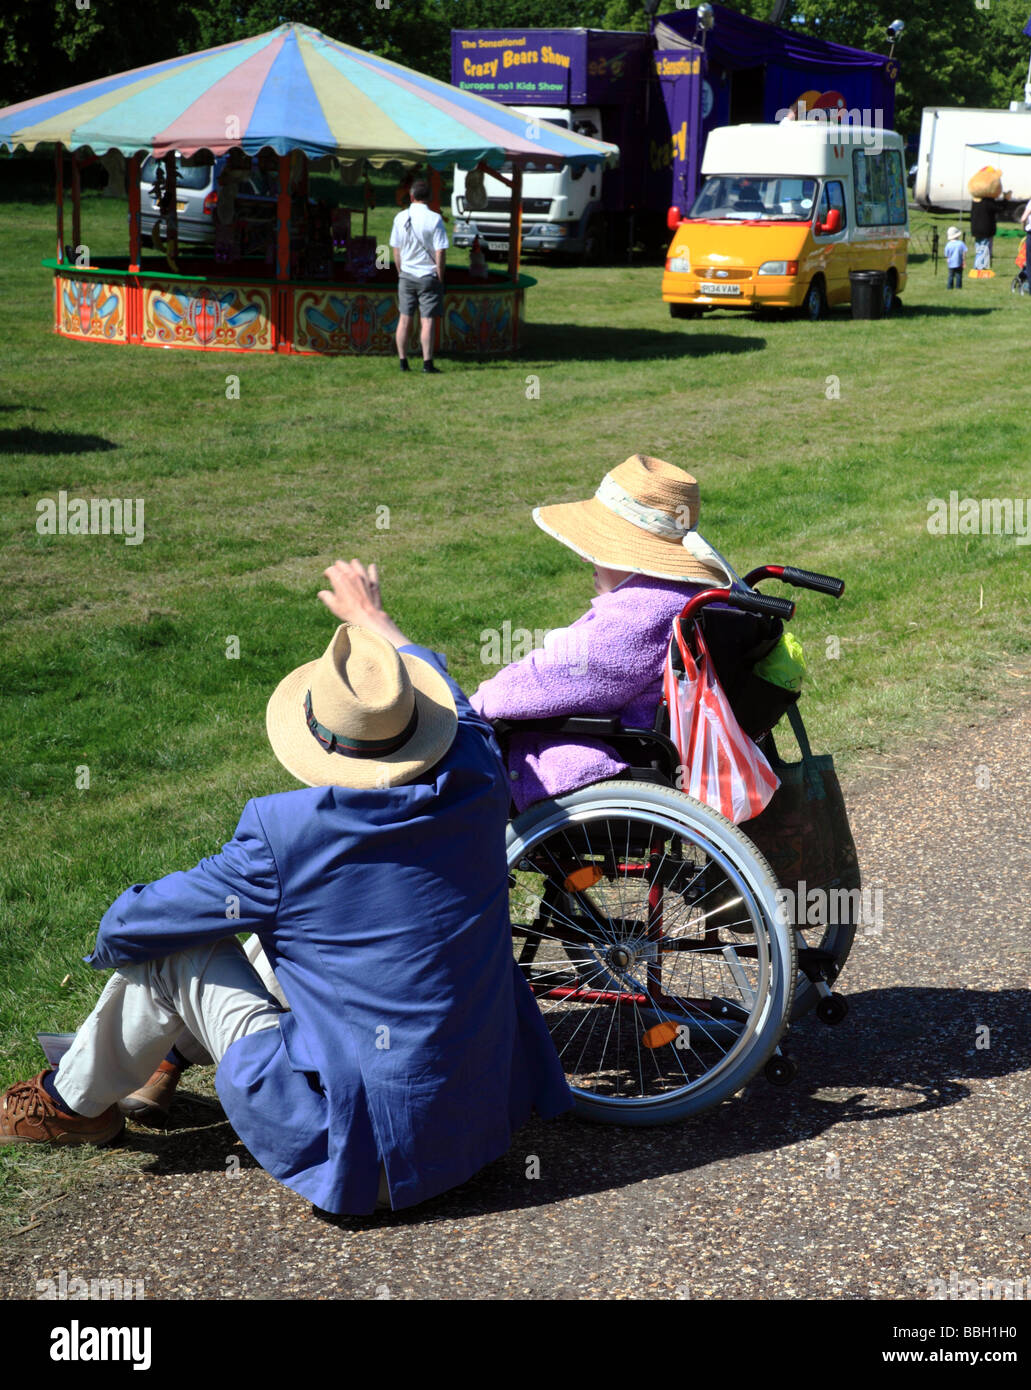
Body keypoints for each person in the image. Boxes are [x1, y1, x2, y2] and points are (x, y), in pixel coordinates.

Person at [0, 590, 573, 1217]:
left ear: (318, 738)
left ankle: (68, 1105)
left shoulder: (288, 832)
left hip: (365, 1163)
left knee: (174, 952)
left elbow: (136, 925)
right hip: (479, 1133)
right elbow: (457, 704)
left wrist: (111, 937)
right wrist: (379, 630)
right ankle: (161, 1063)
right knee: (279, 930)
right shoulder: (480, 769)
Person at [468, 454, 736, 813]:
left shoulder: (643, 612)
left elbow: (548, 682)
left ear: (630, 552)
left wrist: (476, 704)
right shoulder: (689, 599)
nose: (585, 559)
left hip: (608, 761)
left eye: (598, 549)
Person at [390, 175, 449, 374]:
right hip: (427, 275)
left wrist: (400, 272)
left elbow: (395, 250)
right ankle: (427, 363)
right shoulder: (435, 219)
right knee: (427, 320)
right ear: (429, 197)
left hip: (406, 274)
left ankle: (403, 361)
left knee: (404, 319)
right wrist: (440, 276)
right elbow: (440, 251)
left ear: (411, 195)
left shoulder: (400, 217)